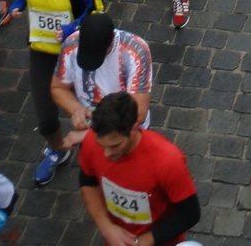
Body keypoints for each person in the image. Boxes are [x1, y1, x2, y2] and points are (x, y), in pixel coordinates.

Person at [2, 0, 103, 186]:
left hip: (76, 54)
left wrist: (72, 28)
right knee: (46, 121)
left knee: (85, 113)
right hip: (42, 51)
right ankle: (57, 150)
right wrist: (17, 6)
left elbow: (97, 11)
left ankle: (98, 158)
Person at [78, 91, 201, 246]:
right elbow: (87, 181)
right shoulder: (91, 140)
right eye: (102, 145)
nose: (106, 153)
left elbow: (189, 214)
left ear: (134, 127)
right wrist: (106, 227)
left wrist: (142, 242)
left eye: (115, 145)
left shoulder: (168, 161)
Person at [51, 12, 153, 148]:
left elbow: (137, 113)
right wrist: (76, 109)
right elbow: (58, 87)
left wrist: (89, 135)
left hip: (123, 135)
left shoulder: (135, 51)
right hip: (92, 129)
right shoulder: (71, 44)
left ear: (111, 38)